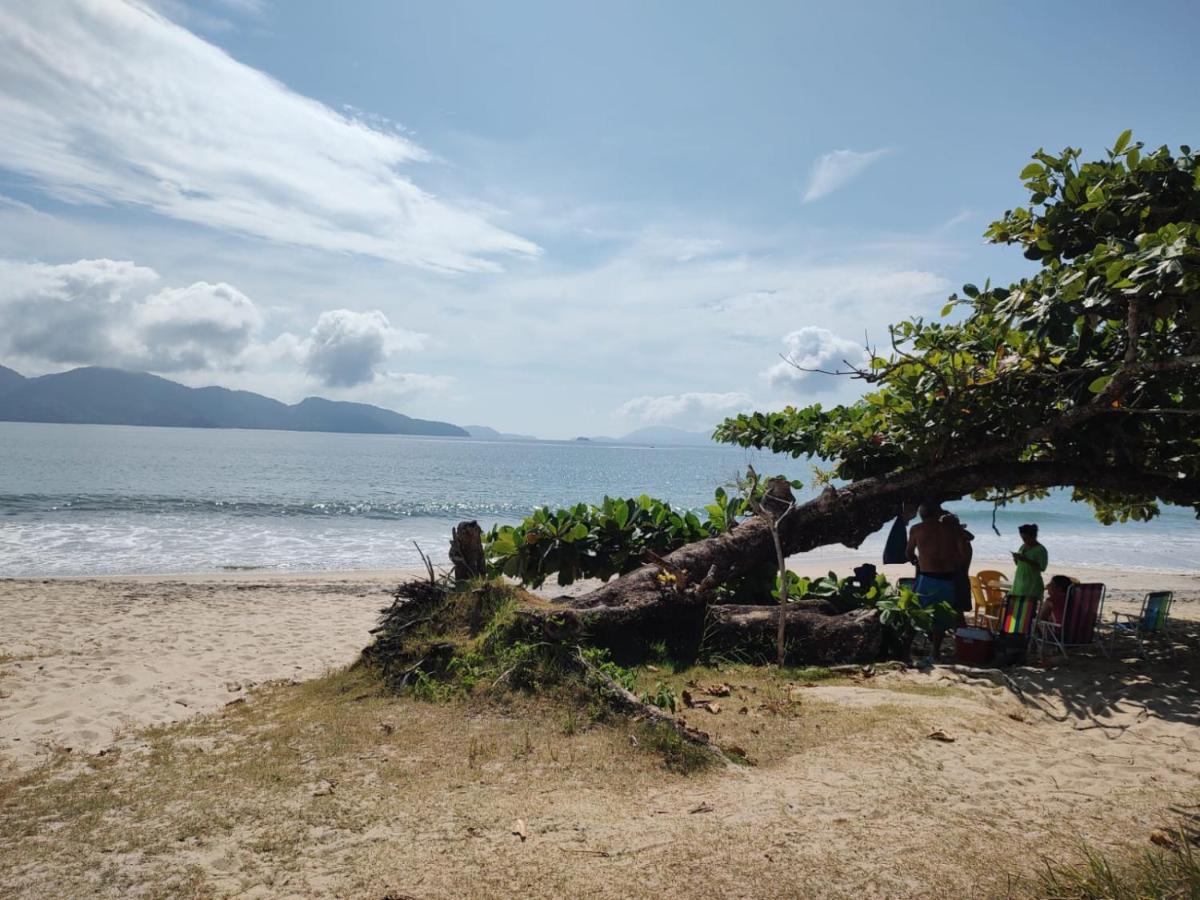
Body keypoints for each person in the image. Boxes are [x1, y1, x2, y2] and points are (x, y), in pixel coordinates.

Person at [905, 502, 963, 659]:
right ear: (937, 513)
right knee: (941, 617)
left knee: (915, 613)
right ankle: (935, 652)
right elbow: (961, 553)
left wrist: (916, 561)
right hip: (947, 577)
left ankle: (906, 649)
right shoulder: (951, 530)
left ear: (922, 514)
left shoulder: (917, 529)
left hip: (927, 576)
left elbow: (909, 552)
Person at [941, 512, 975, 627]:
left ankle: (962, 641)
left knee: (958, 615)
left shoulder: (962, 541)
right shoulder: (962, 540)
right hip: (957, 579)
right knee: (955, 614)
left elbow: (961, 562)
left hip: (957, 580)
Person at [1011, 523, 1049, 607]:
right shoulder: (1023, 547)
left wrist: (1026, 560)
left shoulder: (1041, 550)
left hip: (1032, 585)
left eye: (1026, 538)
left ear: (1033, 536)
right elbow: (1019, 564)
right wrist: (1016, 559)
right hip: (1019, 583)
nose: (1024, 540)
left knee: (1028, 611)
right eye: (1022, 538)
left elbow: (1042, 567)